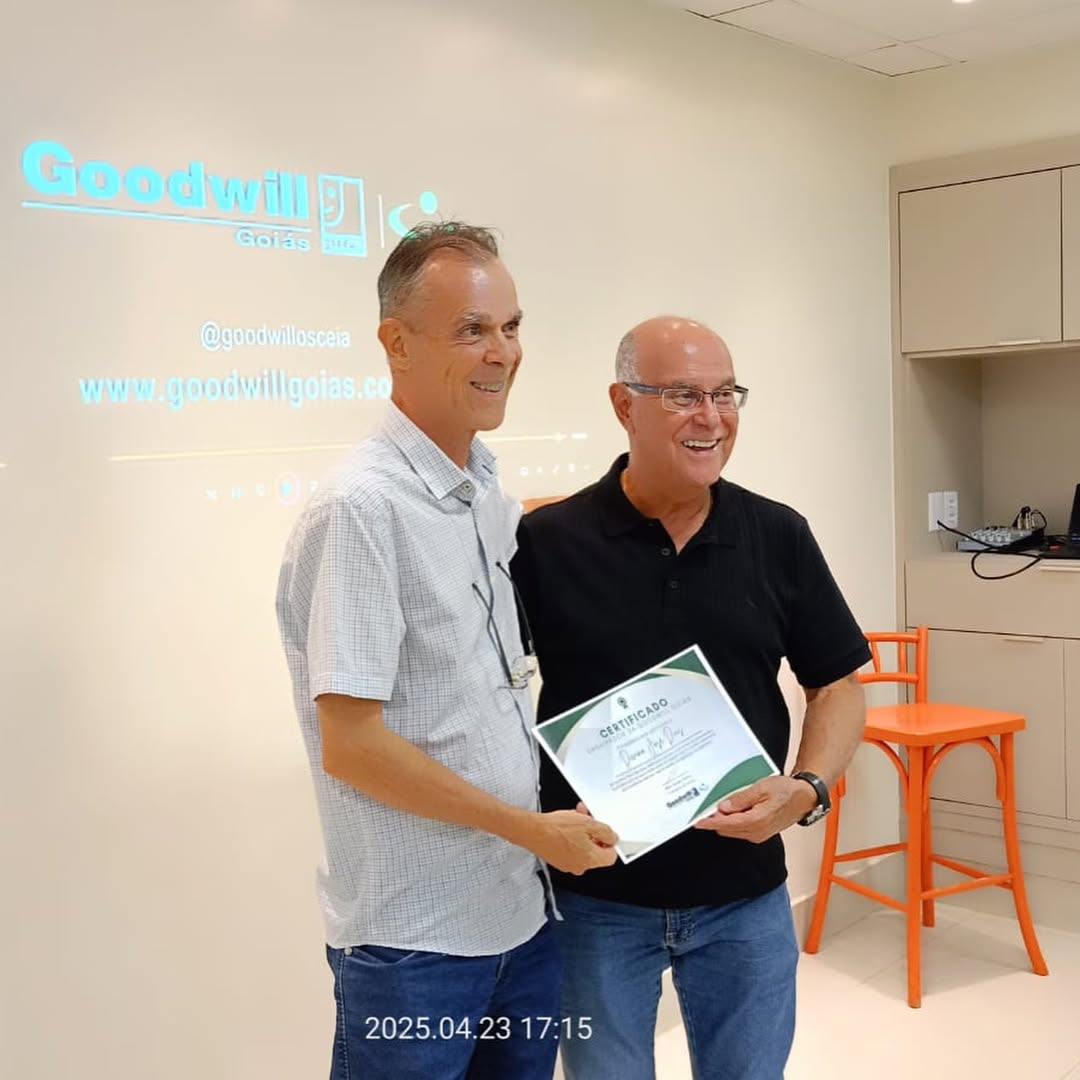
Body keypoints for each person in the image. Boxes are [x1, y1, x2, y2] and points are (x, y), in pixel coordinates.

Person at [275, 221, 617, 1080]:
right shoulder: (361, 508)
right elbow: (354, 746)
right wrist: (528, 829)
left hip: (519, 920)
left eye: (511, 326)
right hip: (415, 948)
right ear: (396, 344)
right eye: (472, 330)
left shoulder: (480, 485)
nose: (503, 352)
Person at [511, 316, 870, 1080]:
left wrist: (807, 788)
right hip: (596, 903)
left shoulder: (778, 535)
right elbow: (489, 695)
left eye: (725, 394)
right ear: (624, 405)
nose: (711, 417)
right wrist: (527, 819)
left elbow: (837, 683)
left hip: (744, 897)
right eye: (683, 395)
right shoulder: (549, 542)